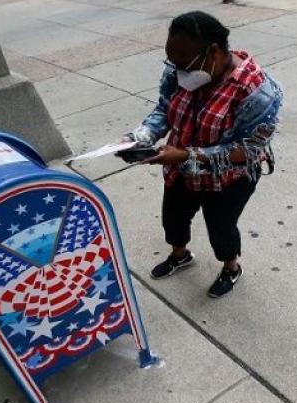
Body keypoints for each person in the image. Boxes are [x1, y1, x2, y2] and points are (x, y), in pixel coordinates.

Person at [119, 11, 283, 298]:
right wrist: (140, 136)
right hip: (180, 168)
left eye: (184, 62)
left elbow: (247, 150)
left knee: (221, 227)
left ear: (215, 52)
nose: (177, 70)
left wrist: (184, 156)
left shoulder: (257, 91)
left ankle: (231, 267)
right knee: (173, 218)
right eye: (172, 61)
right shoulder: (179, 70)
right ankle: (180, 255)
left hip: (229, 178)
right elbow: (164, 109)